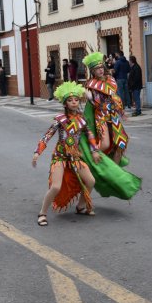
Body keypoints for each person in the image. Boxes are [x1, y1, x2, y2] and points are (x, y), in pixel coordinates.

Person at [32, 82, 101, 226]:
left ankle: (81, 206)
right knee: (56, 187)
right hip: (60, 157)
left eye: (76, 99)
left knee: (91, 181)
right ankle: (42, 213)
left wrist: (94, 151)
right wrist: (38, 152)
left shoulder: (82, 120)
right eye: (70, 100)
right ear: (65, 103)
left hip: (75, 156)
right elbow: (47, 136)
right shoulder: (60, 120)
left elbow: (90, 136)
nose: (74, 102)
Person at [83, 52, 128, 164]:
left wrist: (120, 111)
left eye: (101, 67)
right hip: (101, 117)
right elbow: (97, 104)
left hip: (113, 116)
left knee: (121, 143)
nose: (100, 70)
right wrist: (90, 98)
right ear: (92, 71)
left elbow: (114, 97)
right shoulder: (91, 84)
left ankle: (115, 171)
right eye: (97, 68)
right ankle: (92, 162)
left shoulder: (110, 79)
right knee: (105, 144)